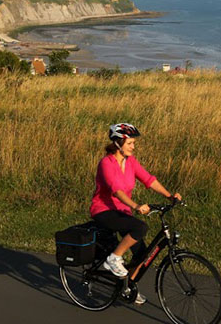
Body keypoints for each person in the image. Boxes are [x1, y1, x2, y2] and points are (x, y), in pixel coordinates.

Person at [90, 123, 181, 305]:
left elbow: (148, 179)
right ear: (118, 143)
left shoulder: (130, 162)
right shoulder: (106, 163)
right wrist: (136, 205)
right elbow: (116, 191)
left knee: (142, 253)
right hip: (104, 210)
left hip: (122, 211)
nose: (133, 146)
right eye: (130, 143)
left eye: (133, 143)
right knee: (140, 227)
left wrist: (169, 195)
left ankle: (127, 287)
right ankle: (113, 259)